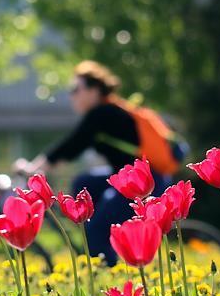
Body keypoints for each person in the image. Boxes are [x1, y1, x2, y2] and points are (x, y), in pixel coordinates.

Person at [15, 60, 181, 264]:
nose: (72, 95)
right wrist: (39, 168)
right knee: (83, 183)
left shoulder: (102, 114)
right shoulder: (107, 112)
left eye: (76, 89)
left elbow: (71, 145)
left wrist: (34, 168)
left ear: (94, 91)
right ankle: (94, 246)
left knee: (98, 230)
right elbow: (72, 148)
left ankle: (104, 269)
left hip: (146, 183)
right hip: (129, 178)